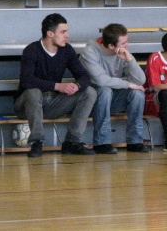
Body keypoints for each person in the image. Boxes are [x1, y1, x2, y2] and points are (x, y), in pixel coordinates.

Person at [14, 13, 97, 158]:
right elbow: (27, 81)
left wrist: (77, 86)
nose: (67, 35)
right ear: (50, 33)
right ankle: (37, 142)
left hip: (52, 103)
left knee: (89, 92)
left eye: (67, 32)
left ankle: (71, 142)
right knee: (33, 92)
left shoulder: (67, 50)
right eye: (63, 32)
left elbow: (85, 77)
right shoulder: (31, 50)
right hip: (26, 106)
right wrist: (57, 86)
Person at [80, 23, 150, 154]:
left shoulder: (123, 53)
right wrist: (128, 84)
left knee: (138, 94)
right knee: (104, 91)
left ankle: (135, 141)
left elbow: (140, 81)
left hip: (113, 99)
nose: (127, 46)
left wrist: (130, 60)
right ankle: (102, 142)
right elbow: (101, 80)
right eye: (123, 43)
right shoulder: (89, 52)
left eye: (127, 41)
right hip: (90, 102)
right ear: (111, 46)